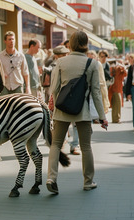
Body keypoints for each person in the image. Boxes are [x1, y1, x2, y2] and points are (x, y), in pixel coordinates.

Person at [47, 31, 108, 194]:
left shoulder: (60, 62)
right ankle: (88, 181)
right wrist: (102, 117)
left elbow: (54, 89)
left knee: (56, 144)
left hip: (62, 110)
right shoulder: (93, 64)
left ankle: (51, 178)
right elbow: (96, 92)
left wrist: (55, 108)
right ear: (86, 44)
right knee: (86, 146)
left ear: (71, 44)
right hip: (83, 111)